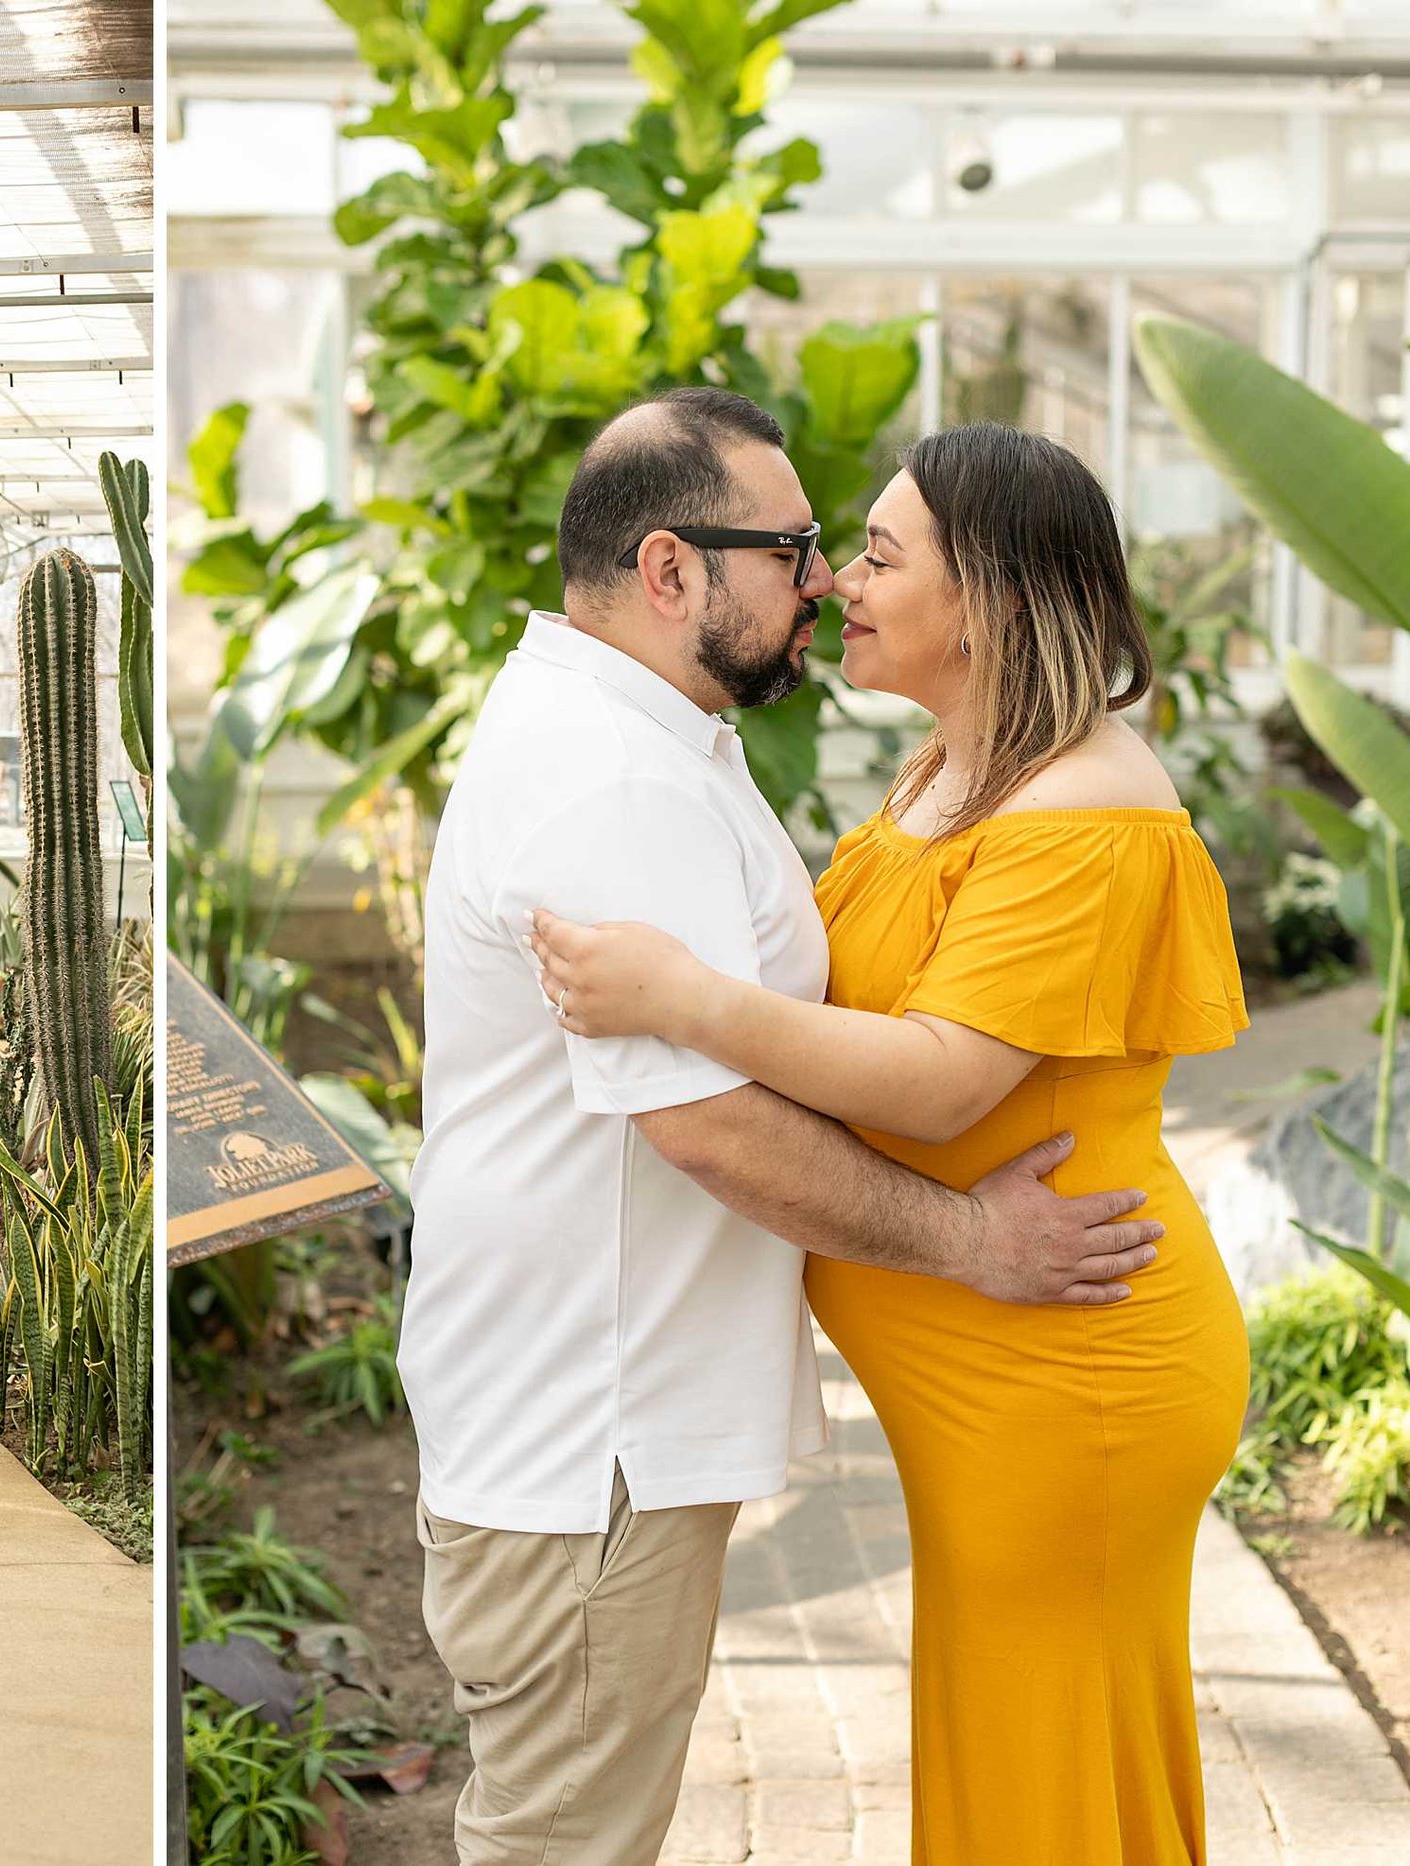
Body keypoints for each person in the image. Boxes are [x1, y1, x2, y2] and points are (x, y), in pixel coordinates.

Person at [400, 389, 1175, 1866]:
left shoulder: (656, 732)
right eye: (802, 547)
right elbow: (708, 1130)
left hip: (614, 1432)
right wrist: (964, 1237)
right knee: (566, 1841)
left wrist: (699, 997)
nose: (822, 581)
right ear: (673, 570)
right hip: (592, 1441)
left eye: (855, 551)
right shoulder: (615, 773)